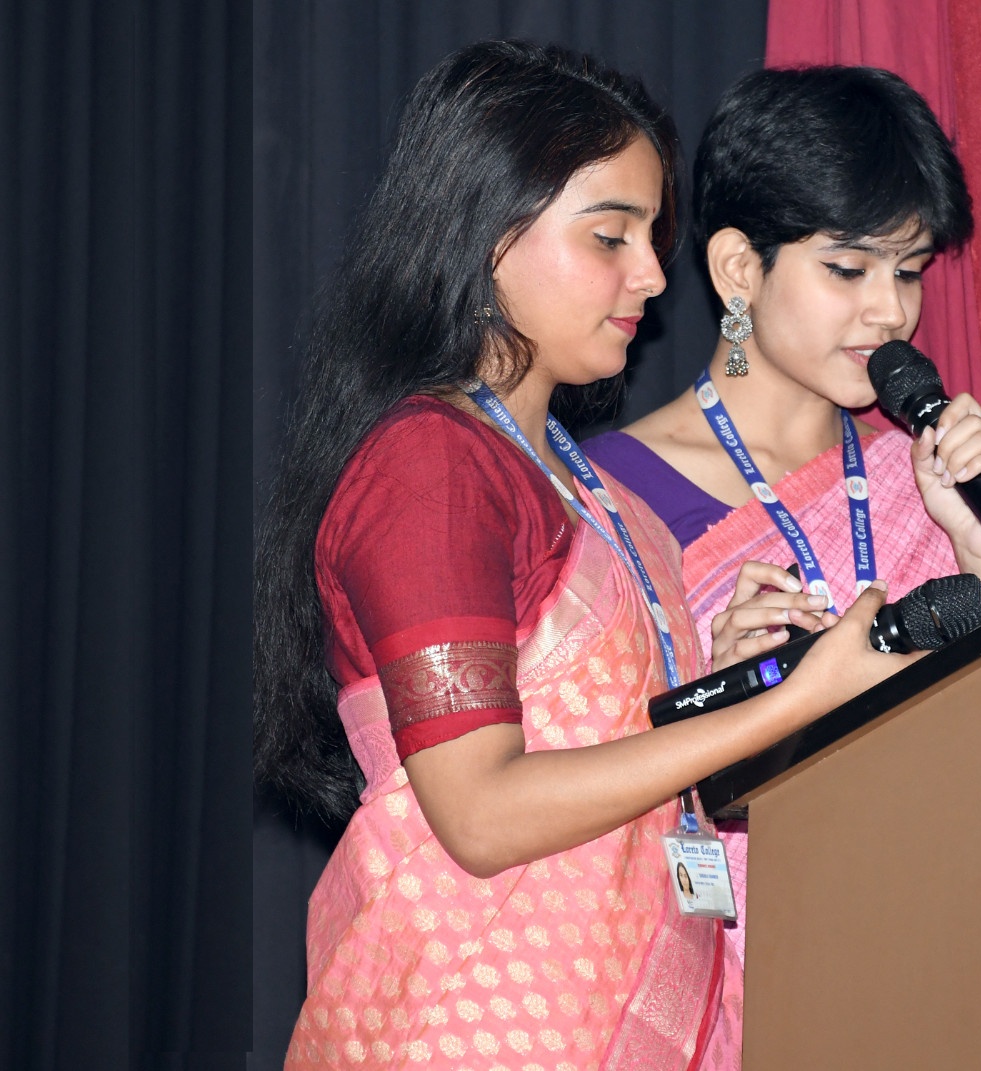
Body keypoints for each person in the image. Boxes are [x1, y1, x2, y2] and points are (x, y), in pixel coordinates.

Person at [253, 42, 907, 1071]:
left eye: (652, 236)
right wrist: (795, 702)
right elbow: (480, 812)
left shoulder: (593, 489)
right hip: (466, 1031)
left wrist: (725, 680)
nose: (651, 274)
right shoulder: (429, 467)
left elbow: (623, 760)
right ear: (487, 236)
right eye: (611, 236)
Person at [585, 66, 981, 981]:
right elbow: (569, 799)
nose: (891, 310)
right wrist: (712, 699)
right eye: (848, 268)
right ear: (738, 269)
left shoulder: (926, 478)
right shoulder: (604, 495)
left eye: (908, 271)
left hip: (937, 947)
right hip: (725, 973)